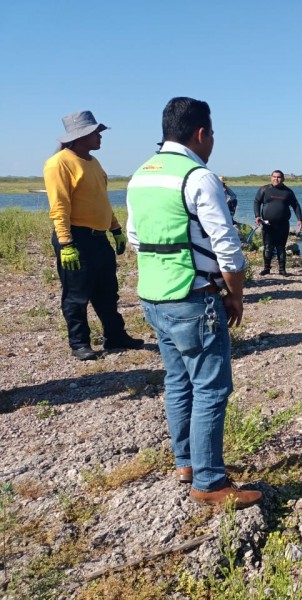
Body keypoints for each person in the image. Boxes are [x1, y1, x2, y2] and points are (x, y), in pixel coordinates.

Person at [126, 97, 261, 509]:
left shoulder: (140, 176)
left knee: (177, 382)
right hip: (193, 297)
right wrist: (235, 295)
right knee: (211, 388)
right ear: (201, 133)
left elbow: (134, 237)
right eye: (213, 134)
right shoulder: (198, 177)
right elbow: (229, 249)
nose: (213, 141)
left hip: (153, 297)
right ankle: (209, 482)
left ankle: (185, 462)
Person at [43, 110, 143, 361]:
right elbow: (59, 206)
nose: (100, 136)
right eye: (96, 132)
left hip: (99, 237)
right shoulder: (58, 163)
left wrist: (116, 229)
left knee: (108, 291)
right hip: (76, 238)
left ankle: (115, 336)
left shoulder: (93, 162)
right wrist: (66, 242)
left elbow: (101, 200)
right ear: (80, 136)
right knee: (76, 295)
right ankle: (79, 344)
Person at [253, 170, 302, 276]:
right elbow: (257, 202)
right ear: (271, 178)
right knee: (268, 247)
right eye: (274, 177)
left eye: (279, 177)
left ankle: (282, 270)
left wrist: (299, 219)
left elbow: (296, 205)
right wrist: (257, 216)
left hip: (283, 224)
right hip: (267, 224)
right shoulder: (264, 189)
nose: (276, 179)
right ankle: (266, 268)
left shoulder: (288, 192)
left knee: (281, 247)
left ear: (283, 179)